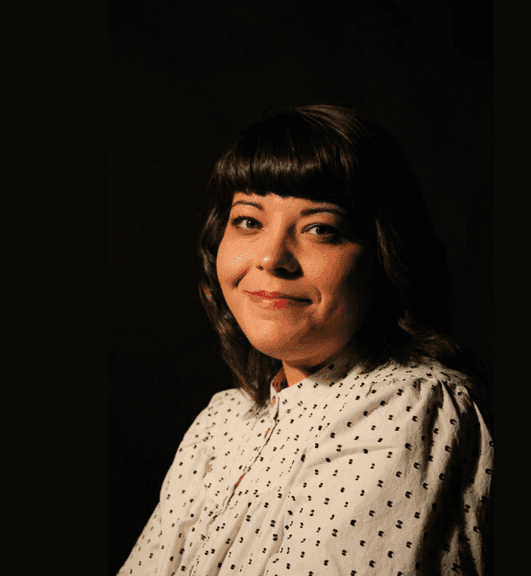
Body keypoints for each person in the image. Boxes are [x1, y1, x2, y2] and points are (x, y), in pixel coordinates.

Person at [118, 105, 491, 576]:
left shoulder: (409, 405)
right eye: (249, 221)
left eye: (320, 229)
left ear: (383, 255)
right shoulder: (221, 422)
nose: (272, 257)